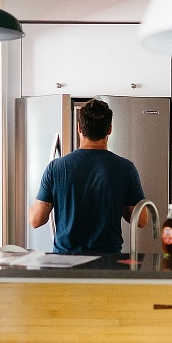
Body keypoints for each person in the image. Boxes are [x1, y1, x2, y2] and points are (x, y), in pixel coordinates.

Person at [28, 98, 148, 254]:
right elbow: (142, 220)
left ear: (79, 128)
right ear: (109, 130)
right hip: (108, 263)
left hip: (66, 263)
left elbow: (35, 220)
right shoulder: (125, 168)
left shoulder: (56, 168)